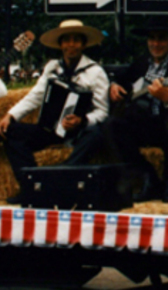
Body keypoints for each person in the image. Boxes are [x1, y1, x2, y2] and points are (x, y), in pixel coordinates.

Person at [0, 19, 109, 198]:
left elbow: (102, 112)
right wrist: (11, 115)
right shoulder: (52, 67)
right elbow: (35, 96)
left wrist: (82, 121)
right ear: (60, 44)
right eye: (66, 40)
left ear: (83, 44)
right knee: (10, 131)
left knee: (96, 134)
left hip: (78, 132)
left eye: (76, 40)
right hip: (51, 129)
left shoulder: (95, 72)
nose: (71, 45)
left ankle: (62, 173)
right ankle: (31, 186)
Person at [105, 16, 168, 203]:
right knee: (111, 125)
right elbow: (121, 79)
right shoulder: (141, 63)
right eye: (152, 38)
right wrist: (113, 85)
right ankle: (147, 175)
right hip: (144, 123)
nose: (156, 43)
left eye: (161, 38)